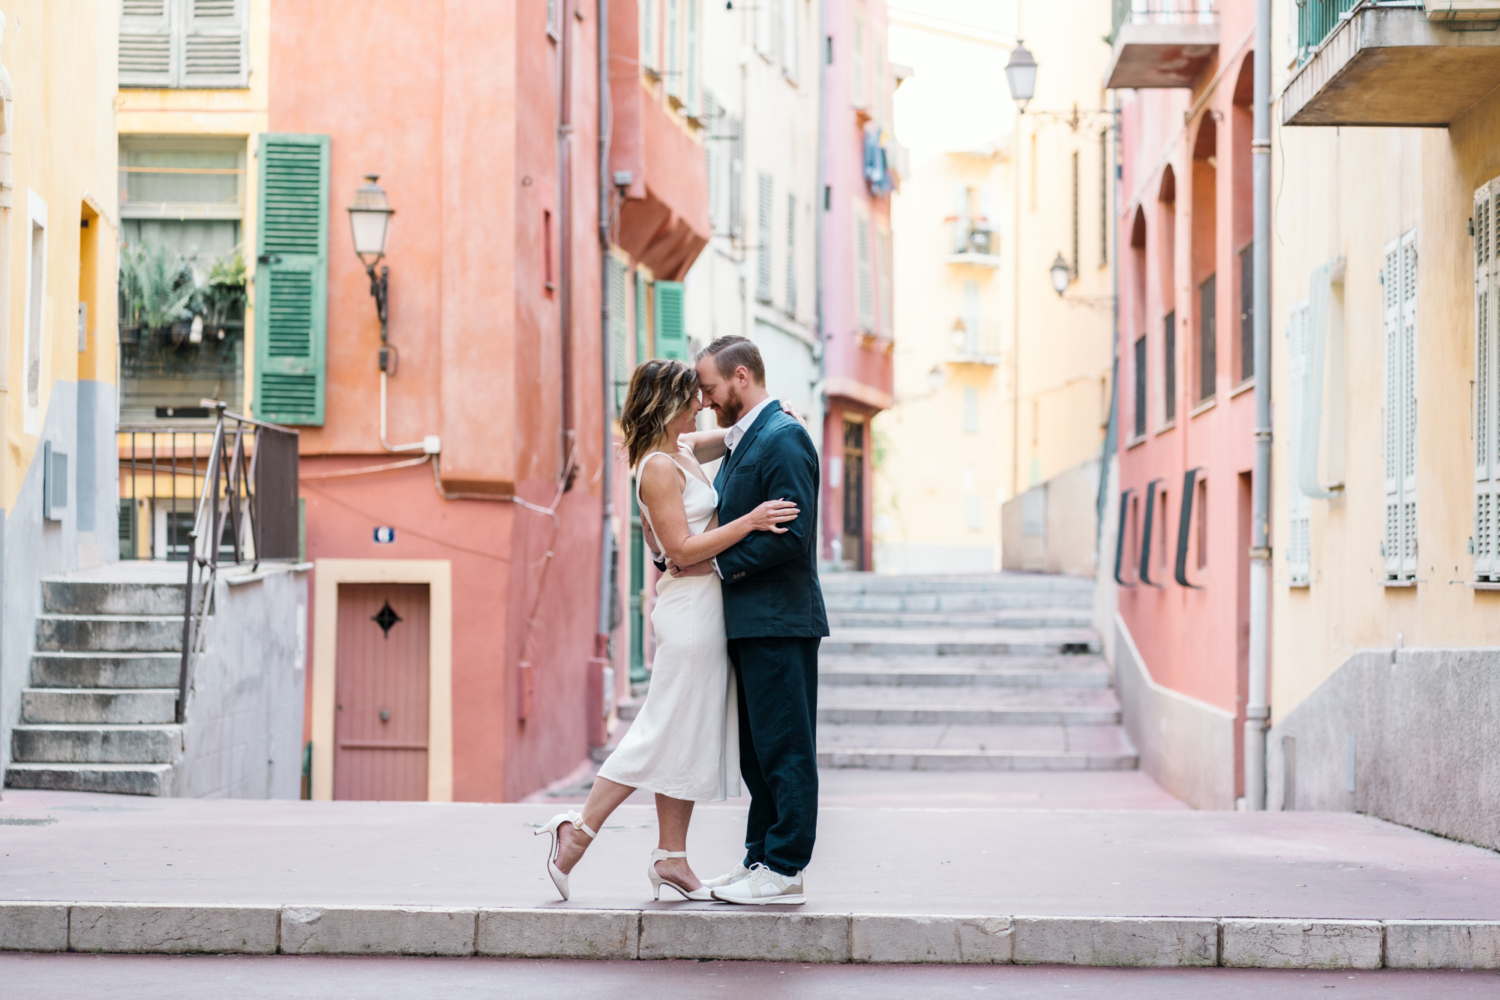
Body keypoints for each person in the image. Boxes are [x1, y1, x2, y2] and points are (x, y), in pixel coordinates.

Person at [536, 358, 799, 902]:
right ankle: (577, 833)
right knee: (661, 730)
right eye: (694, 397)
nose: (704, 402)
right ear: (670, 403)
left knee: (684, 731)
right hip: (690, 616)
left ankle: (671, 858)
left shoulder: (683, 449)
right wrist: (749, 522)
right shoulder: (658, 466)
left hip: (708, 606)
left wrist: (775, 414)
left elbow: (730, 436)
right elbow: (678, 549)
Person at [692, 335, 828, 906]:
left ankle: (787, 868)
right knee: (758, 751)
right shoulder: (746, 437)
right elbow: (673, 444)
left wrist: (716, 566)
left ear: (741, 377)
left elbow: (793, 537)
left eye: (710, 387)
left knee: (786, 747)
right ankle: (760, 859)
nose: (704, 399)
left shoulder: (784, 438)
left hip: (778, 620)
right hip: (752, 621)